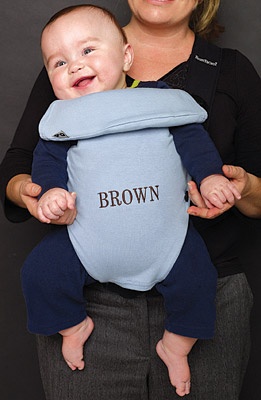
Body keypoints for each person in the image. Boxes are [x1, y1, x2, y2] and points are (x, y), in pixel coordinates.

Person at [0, 1, 260, 399]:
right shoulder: (67, 110)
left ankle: (177, 344)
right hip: (90, 254)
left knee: (198, 280)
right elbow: (42, 157)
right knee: (40, 272)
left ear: (126, 56)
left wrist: (213, 180)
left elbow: (195, 143)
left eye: (88, 51)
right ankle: (72, 325)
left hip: (173, 241)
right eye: (59, 63)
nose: (74, 66)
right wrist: (43, 193)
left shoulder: (166, 100)